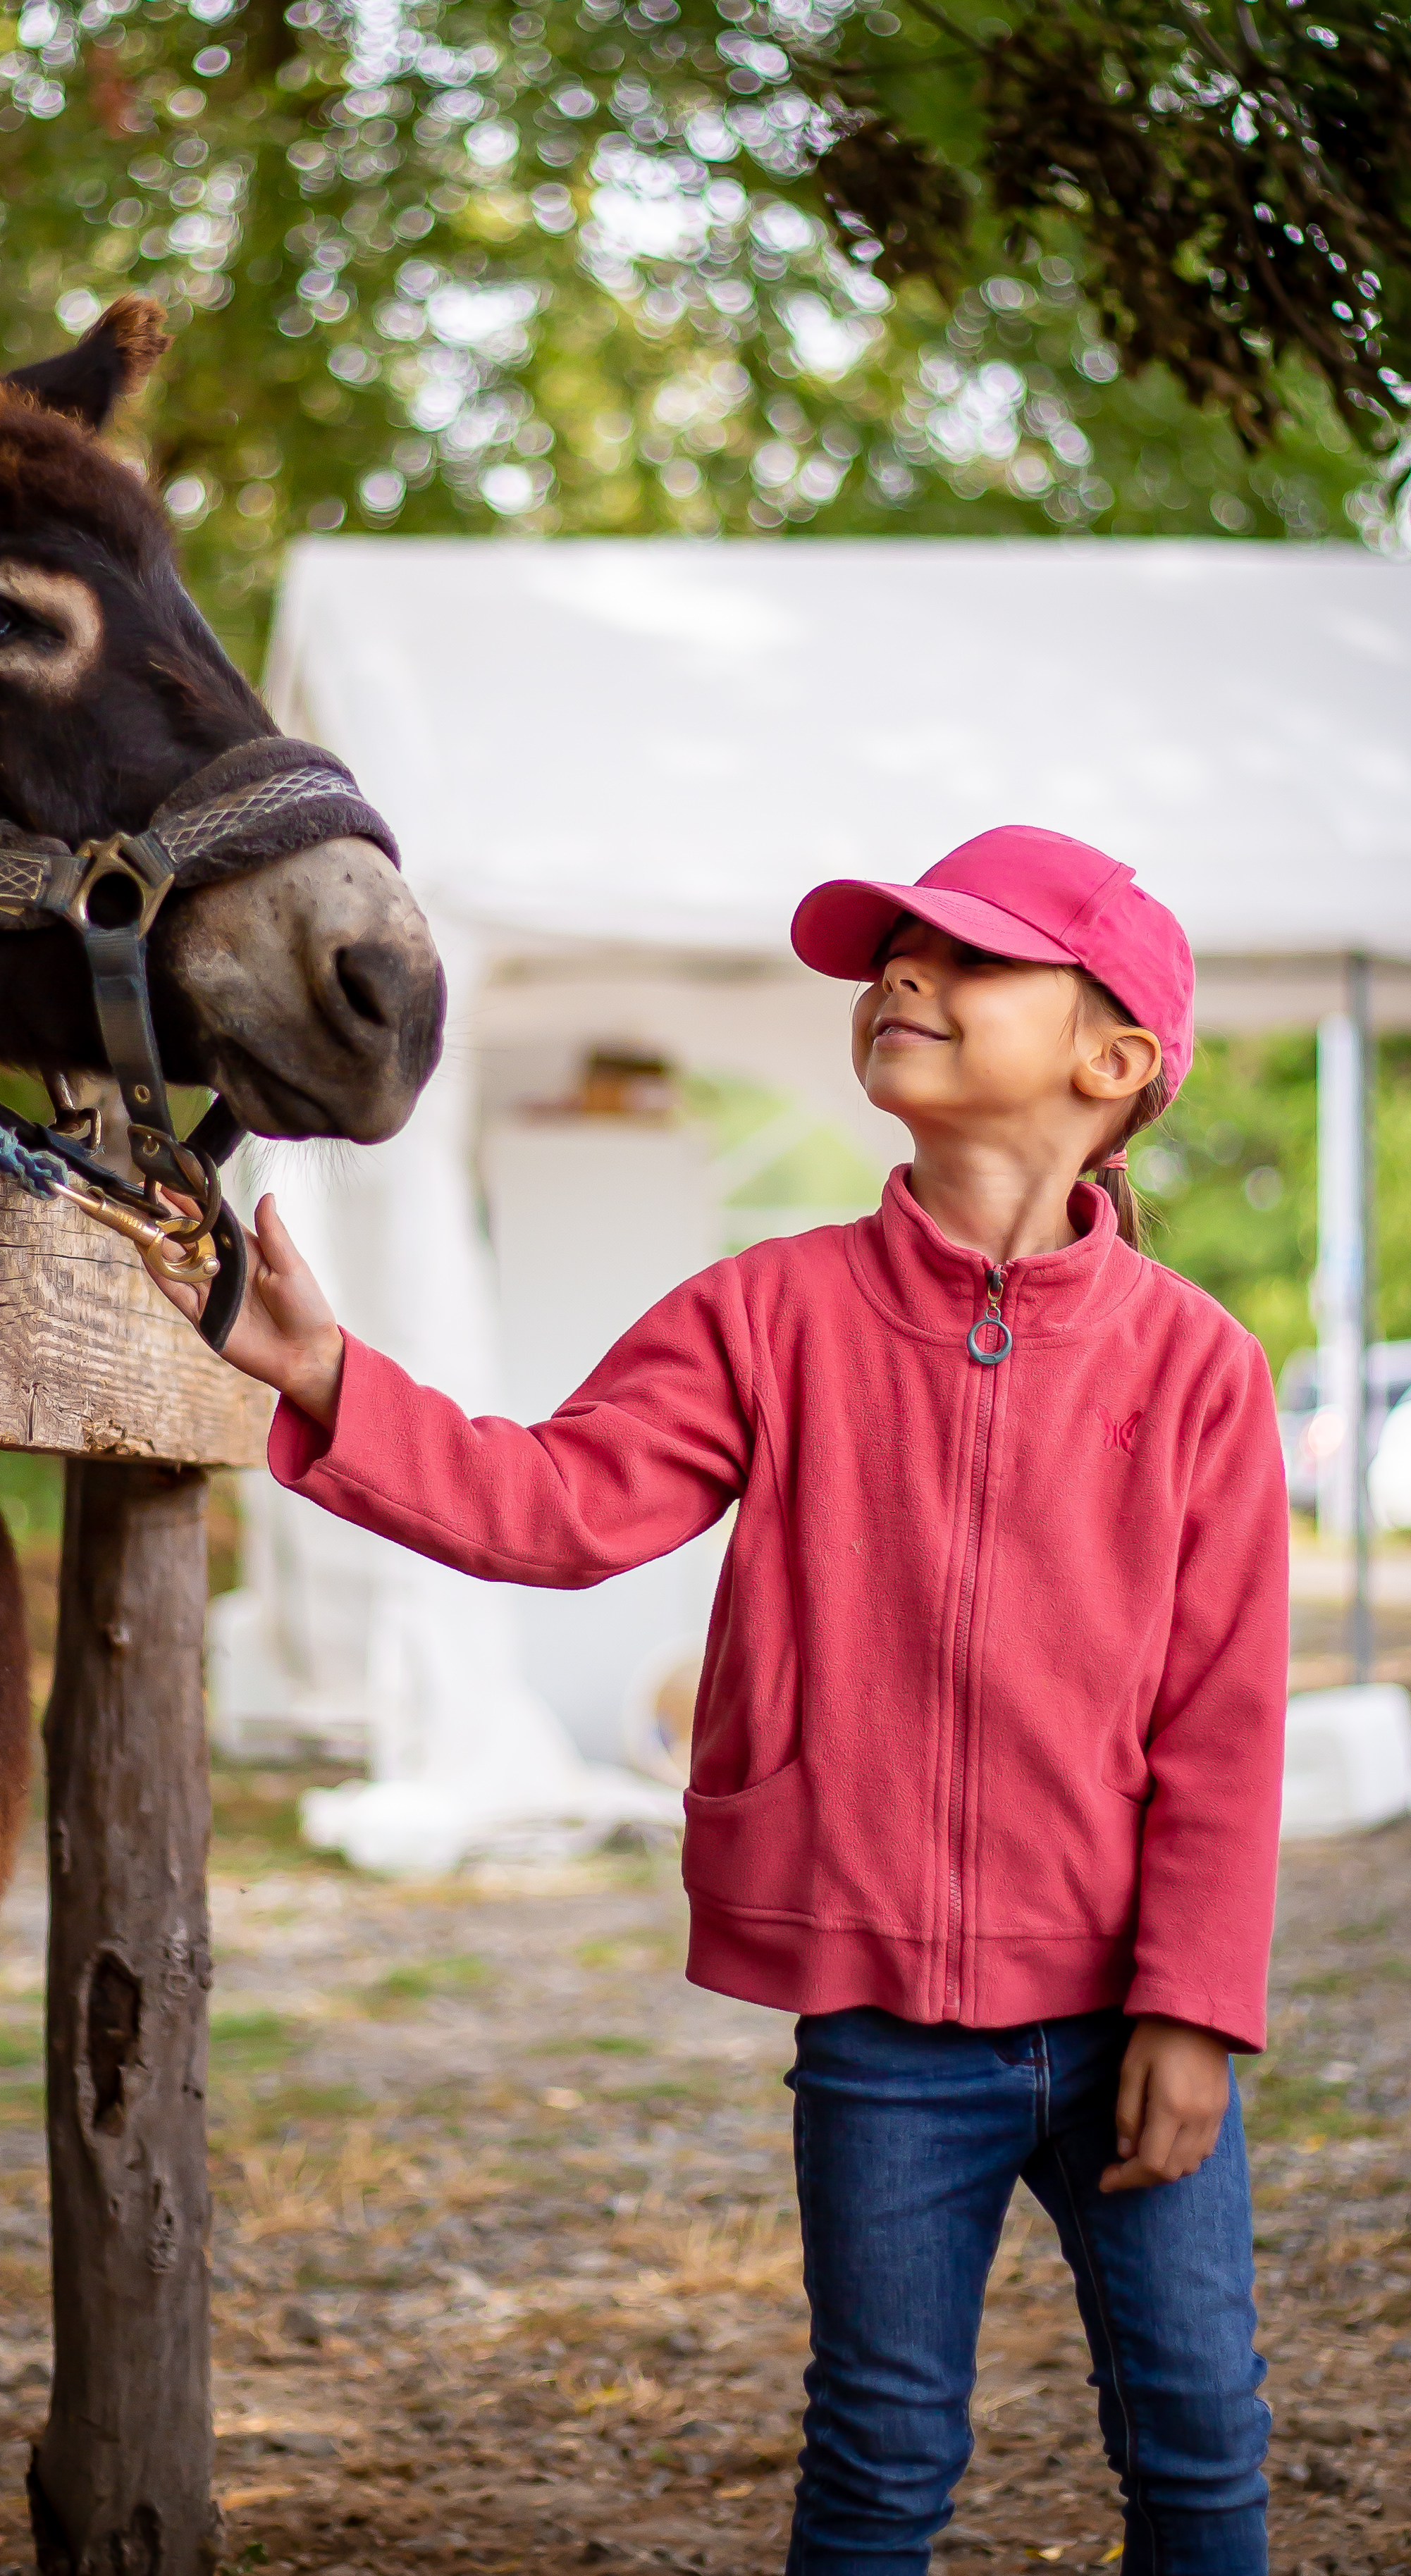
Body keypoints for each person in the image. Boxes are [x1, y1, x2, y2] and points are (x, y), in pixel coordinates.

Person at [154, 826, 1286, 2575]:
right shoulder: (772, 1313)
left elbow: (1224, 1723)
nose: (901, 973)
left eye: (968, 957)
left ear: (1112, 1059)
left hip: (1127, 2009)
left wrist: (1195, 2009)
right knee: (880, 2450)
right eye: (890, 950)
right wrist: (327, 1378)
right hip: (880, 2037)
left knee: (1201, 2441)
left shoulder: (1200, 1368)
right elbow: (553, 1501)